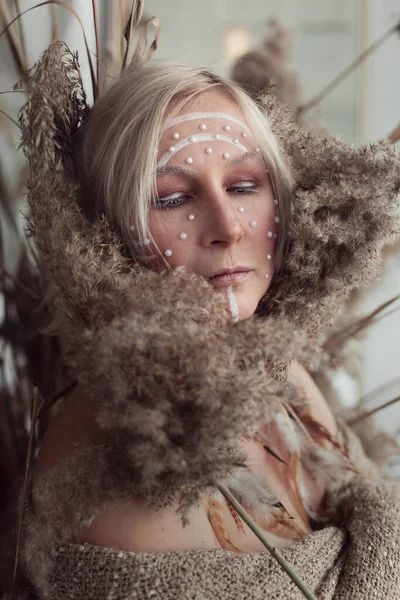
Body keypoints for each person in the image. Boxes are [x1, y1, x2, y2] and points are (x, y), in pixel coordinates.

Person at [16, 41, 400, 599]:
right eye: (171, 198)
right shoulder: (125, 456)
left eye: (245, 187)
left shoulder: (273, 361)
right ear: (104, 238)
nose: (228, 226)